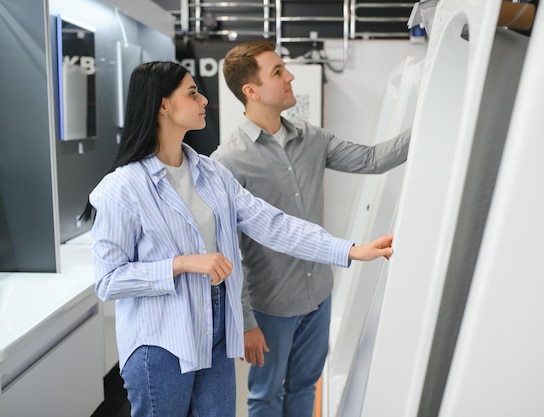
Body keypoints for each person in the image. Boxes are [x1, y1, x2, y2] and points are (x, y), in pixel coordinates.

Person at [80, 61, 394, 417]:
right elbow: (108, 281)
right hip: (160, 342)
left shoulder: (211, 172)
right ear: (163, 105)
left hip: (215, 331)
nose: (204, 102)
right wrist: (181, 264)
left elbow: (273, 224)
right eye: (193, 93)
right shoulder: (123, 187)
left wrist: (350, 250)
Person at [210, 40, 411, 417]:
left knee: (304, 387)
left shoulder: (312, 138)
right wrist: (246, 322)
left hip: (319, 293)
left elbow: (373, 159)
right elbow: (226, 249)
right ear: (250, 91)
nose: (289, 77)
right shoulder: (227, 161)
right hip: (270, 305)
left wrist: (434, 118)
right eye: (277, 72)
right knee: (265, 395)